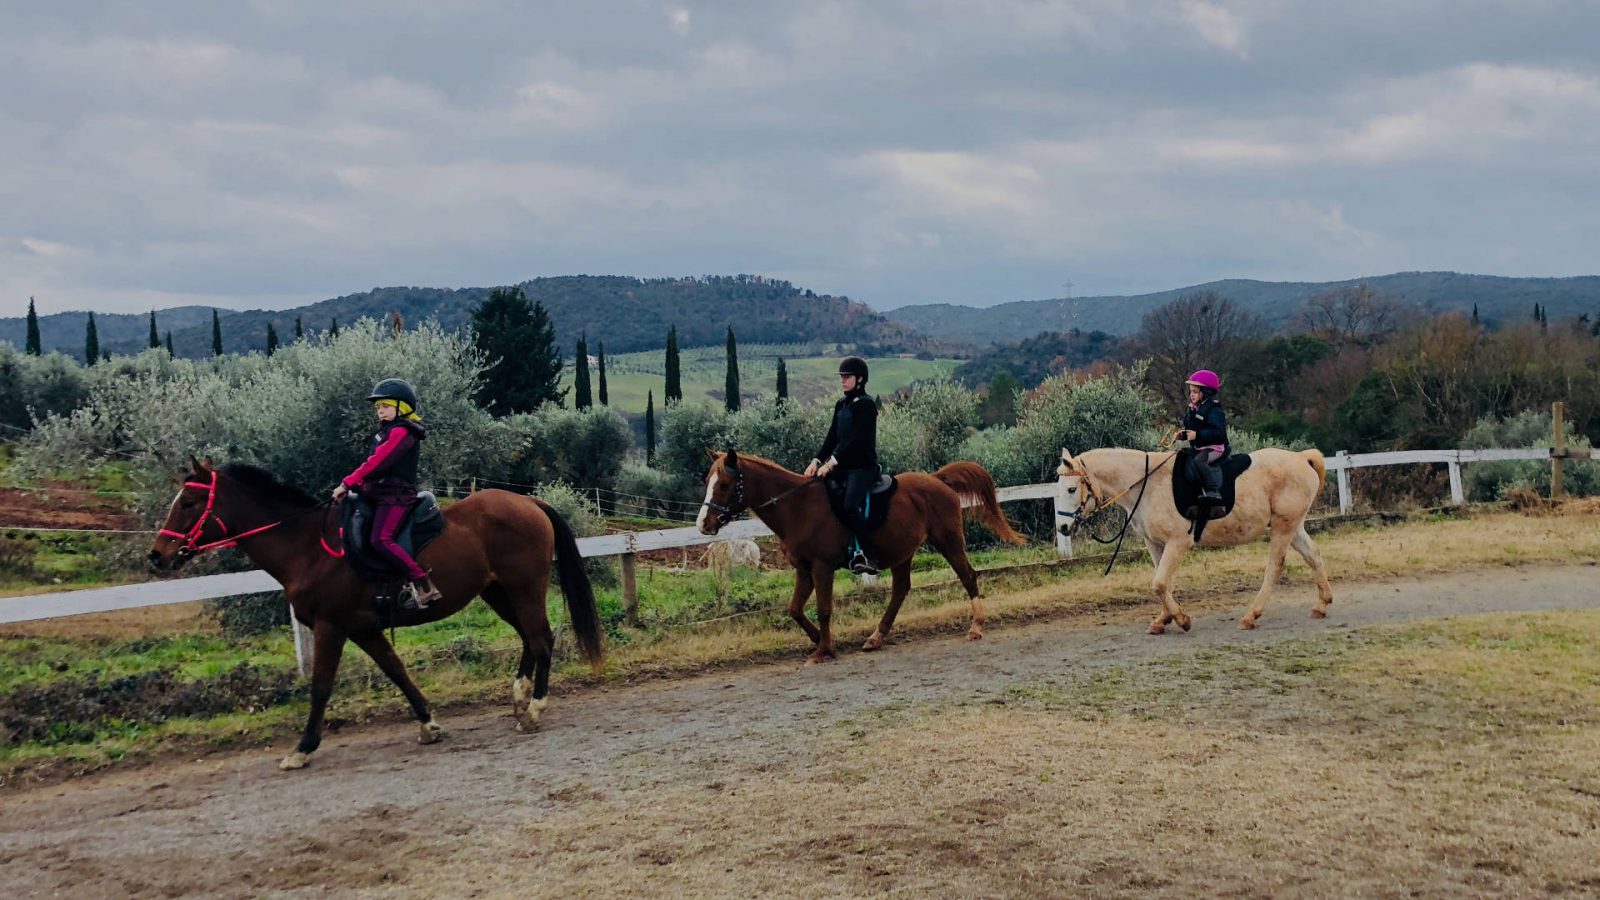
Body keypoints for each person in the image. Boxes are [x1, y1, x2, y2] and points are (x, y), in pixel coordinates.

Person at [331, 378, 441, 609]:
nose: (380, 411)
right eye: (378, 408)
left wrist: (348, 483)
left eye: (386, 406)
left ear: (402, 407)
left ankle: (422, 583)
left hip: (396, 496)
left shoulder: (403, 432)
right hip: (379, 493)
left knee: (381, 539)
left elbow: (378, 463)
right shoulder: (387, 431)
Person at [804, 356, 880, 574]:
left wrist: (831, 462)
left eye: (847, 377)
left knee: (849, 505)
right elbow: (832, 438)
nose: (843, 381)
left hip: (863, 467)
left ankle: (869, 555)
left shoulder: (866, 405)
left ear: (860, 379)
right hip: (844, 467)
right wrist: (816, 460)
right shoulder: (841, 404)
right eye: (842, 377)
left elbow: (856, 440)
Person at [1177, 369, 1228, 502]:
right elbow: (1192, 431)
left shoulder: (1214, 410)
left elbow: (1219, 434)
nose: (1191, 395)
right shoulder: (1193, 409)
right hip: (1200, 447)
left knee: (1199, 461)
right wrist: (1182, 435)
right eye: (1191, 392)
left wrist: (1197, 435)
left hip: (1215, 448)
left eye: (1195, 391)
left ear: (1206, 392)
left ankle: (1213, 490)